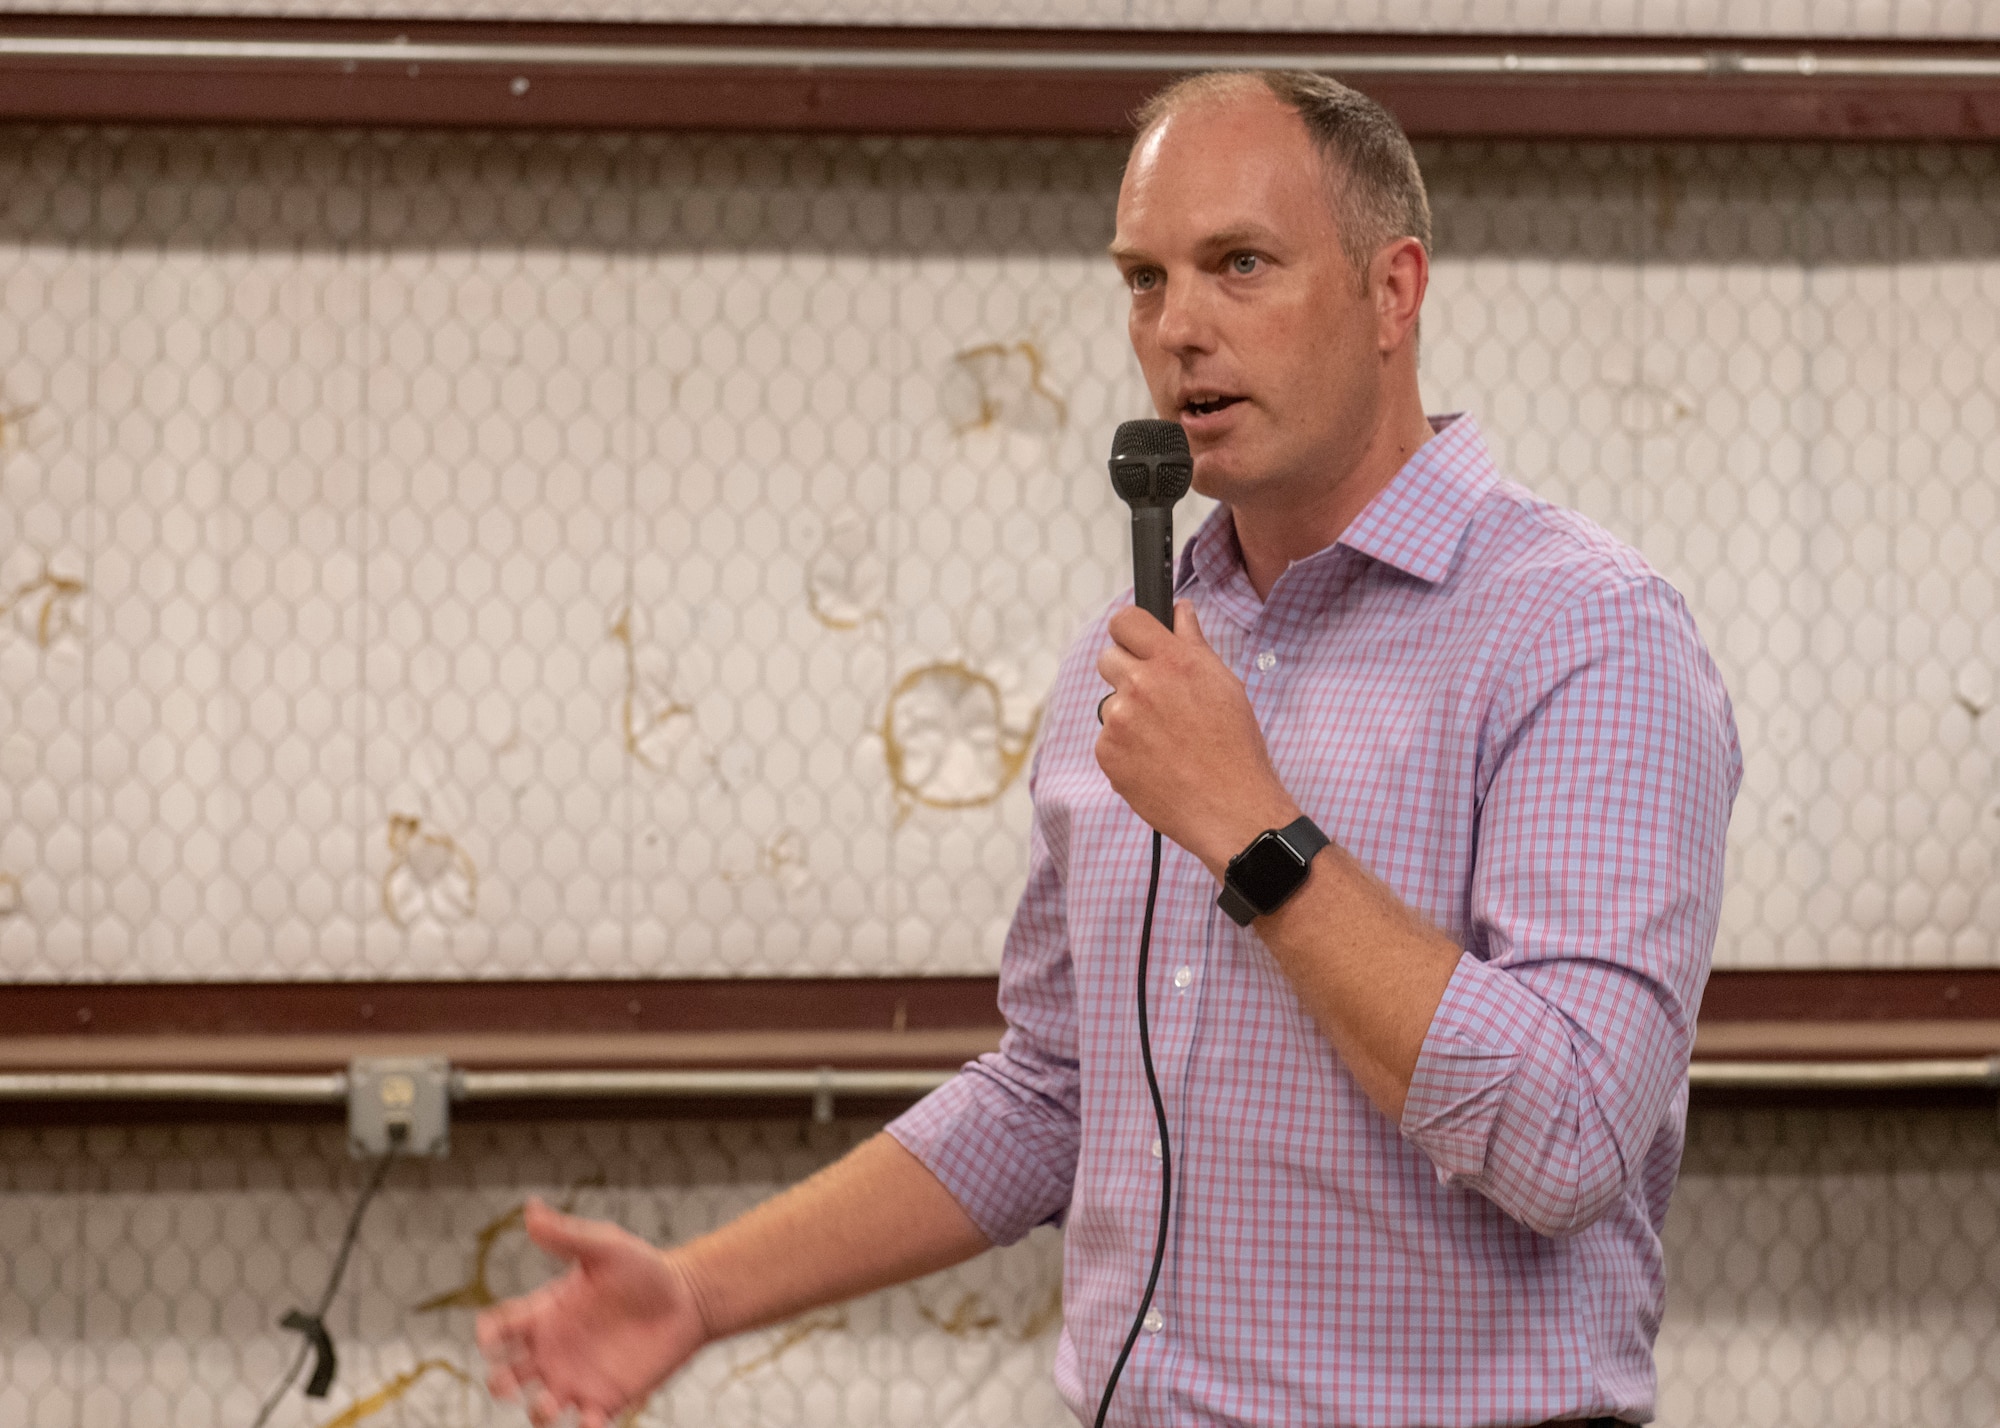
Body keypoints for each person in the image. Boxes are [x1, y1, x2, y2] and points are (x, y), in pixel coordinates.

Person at [476, 70, 1741, 1428]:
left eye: (1239, 265)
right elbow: (1052, 1091)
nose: (1179, 327)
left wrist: (1258, 834)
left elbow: (1569, 1138)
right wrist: (701, 1292)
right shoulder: (1137, 657)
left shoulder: (1583, 636)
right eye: (1144, 279)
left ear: (1394, 292)